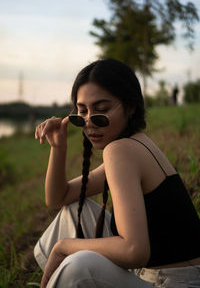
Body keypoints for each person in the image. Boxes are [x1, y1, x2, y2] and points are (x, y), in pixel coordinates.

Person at [34, 59, 200, 288]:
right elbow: (57, 198)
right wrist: (58, 148)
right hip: (158, 273)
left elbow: (135, 250)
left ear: (130, 106)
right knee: (73, 211)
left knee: (80, 266)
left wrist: (64, 246)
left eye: (101, 110)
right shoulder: (133, 143)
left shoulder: (120, 150)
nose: (90, 122)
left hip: (175, 283)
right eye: (82, 112)